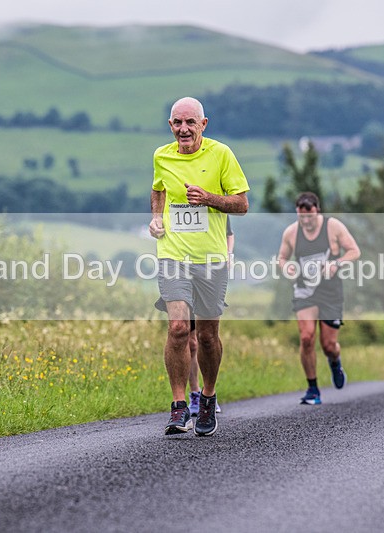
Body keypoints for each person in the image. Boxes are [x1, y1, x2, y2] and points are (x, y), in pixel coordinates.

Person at [149, 97, 249, 436]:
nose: (183, 129)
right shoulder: (161, 156)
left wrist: (209, 198)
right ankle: (178, 407)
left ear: (204, 124)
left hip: (211, 259)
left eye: (190, 122)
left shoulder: (222, 154)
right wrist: (155, 218)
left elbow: (242, 204)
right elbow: (158, 189)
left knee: (207, 336)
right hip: (173, 255)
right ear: (170, 125)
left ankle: (207, 396)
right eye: (177, 123)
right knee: (178, 328)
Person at [277, 192, 361, 405]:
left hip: (330, 292)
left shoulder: (333, 227)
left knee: (328, 345)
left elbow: (354, 251)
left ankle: (335, 361)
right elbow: (282, 258)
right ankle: (313, 389)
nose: (306, 222)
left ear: (317, 211)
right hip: (304, 291)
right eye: (301, 217)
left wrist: (337, 263)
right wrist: (288, 269)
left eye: (310, 217)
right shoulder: (291, 233)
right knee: (306, 337)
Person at [187, 216, 232, 417]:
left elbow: (229, 234)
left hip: (210, 272)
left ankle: (208, 392)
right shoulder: (174, 197)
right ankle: (195, 393)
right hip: (181, 272)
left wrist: (228, 256)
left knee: (206, 337)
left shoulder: (212, 199)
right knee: (188, 339)